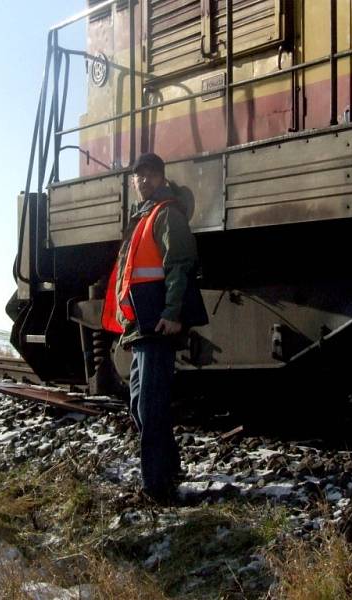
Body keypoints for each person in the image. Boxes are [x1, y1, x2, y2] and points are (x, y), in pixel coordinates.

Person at [101, 152, 205, 504]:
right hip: (142, 324)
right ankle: (169, 467)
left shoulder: (167, 214)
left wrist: (173, 312)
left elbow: (179, 265)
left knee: (150, 406)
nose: (143, 180)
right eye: (138, 176)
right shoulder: (143, 216)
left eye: (149, 175)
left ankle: (155, 487)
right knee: (139, 403)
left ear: (161, 177)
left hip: (158, 323)